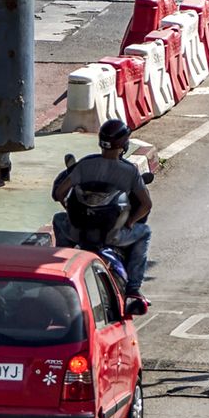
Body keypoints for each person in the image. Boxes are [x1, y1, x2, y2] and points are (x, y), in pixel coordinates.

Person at [52, 119, 152, 298]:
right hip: (112, 236)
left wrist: (70, 210)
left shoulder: (85, 164)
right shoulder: (129, 171)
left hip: (78, 232)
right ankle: (134, 289)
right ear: (123, 144)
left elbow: (60, 193)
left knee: (59, 220)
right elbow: (146, 205)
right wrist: (130, 221)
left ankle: (63, 265)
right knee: (144, 232)